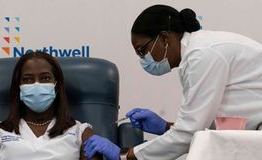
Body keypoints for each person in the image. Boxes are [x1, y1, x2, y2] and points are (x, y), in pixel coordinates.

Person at [84, 4, 262, 160]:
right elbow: (201, 127)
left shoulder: (202, 55)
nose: (142, 59)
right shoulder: (195, 56)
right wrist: (166, 127)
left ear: (164, 38)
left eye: (142, 50)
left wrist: (125, 155)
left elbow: (189, 132)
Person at [0, 51, 103, 160]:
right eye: (28, 80)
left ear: (56, 86)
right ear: (19, 88)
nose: (36, 85)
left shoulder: (80, 132)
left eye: (45, 78)